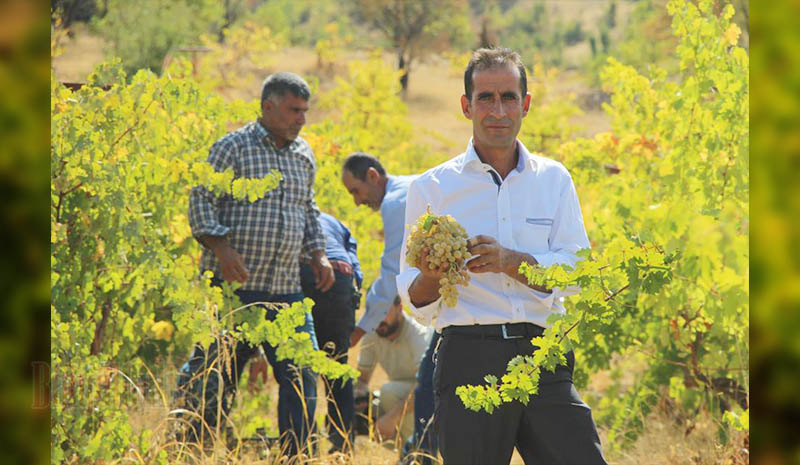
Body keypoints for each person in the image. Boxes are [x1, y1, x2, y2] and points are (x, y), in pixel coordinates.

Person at [396, 47, 608, 464]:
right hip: (468, 359)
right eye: (486, 98)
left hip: (544, 355)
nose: (498, 111)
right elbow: (414, 300)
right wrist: (434, 275)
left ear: (525, 105)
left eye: (509, 97)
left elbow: (578, 272)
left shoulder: (554, 179)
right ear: (466, 106)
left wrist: (513, 262)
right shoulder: (431, 188)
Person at [179, 72, 335, 457]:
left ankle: (296, 456)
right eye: (294, 111)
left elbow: (308, 209)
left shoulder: (304, 154)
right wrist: (222, 249)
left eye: (305, 111)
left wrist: (319, 253)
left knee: (301, 374)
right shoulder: (232, 148)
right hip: (232, 291)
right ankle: (191, 451)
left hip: (286, 291)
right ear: (268, 107)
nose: (302, 119)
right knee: (213, 377)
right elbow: (201, 199)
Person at [340, 153, 439, 462]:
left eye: (356, 191)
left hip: (463, 308)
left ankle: (419, 456)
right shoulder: (410, 187)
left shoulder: (396, 202)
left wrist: (358, 331)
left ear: (372, 176)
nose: (357, 202)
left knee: (428, 388)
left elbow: (391, 274)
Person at [299, 212, 363, 454]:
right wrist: (352, 290)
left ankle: (303, 445)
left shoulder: (295, 211)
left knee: (299, 366)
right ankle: (342, 446)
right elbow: (353, 260)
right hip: (342, 277)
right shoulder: (337, 223)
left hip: (306, 270)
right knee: (337, 366)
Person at [354, 296, 433, 445]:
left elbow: (426, 386)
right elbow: (362, 379)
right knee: (361, 411)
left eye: (384, 311)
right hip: (402, 395)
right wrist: (360, 395)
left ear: (400, 308)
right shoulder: (373, 333)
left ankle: (418, 450)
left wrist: (391, 418)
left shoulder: (418, 335)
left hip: (429, 396)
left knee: (389, 392)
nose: (378, 318)